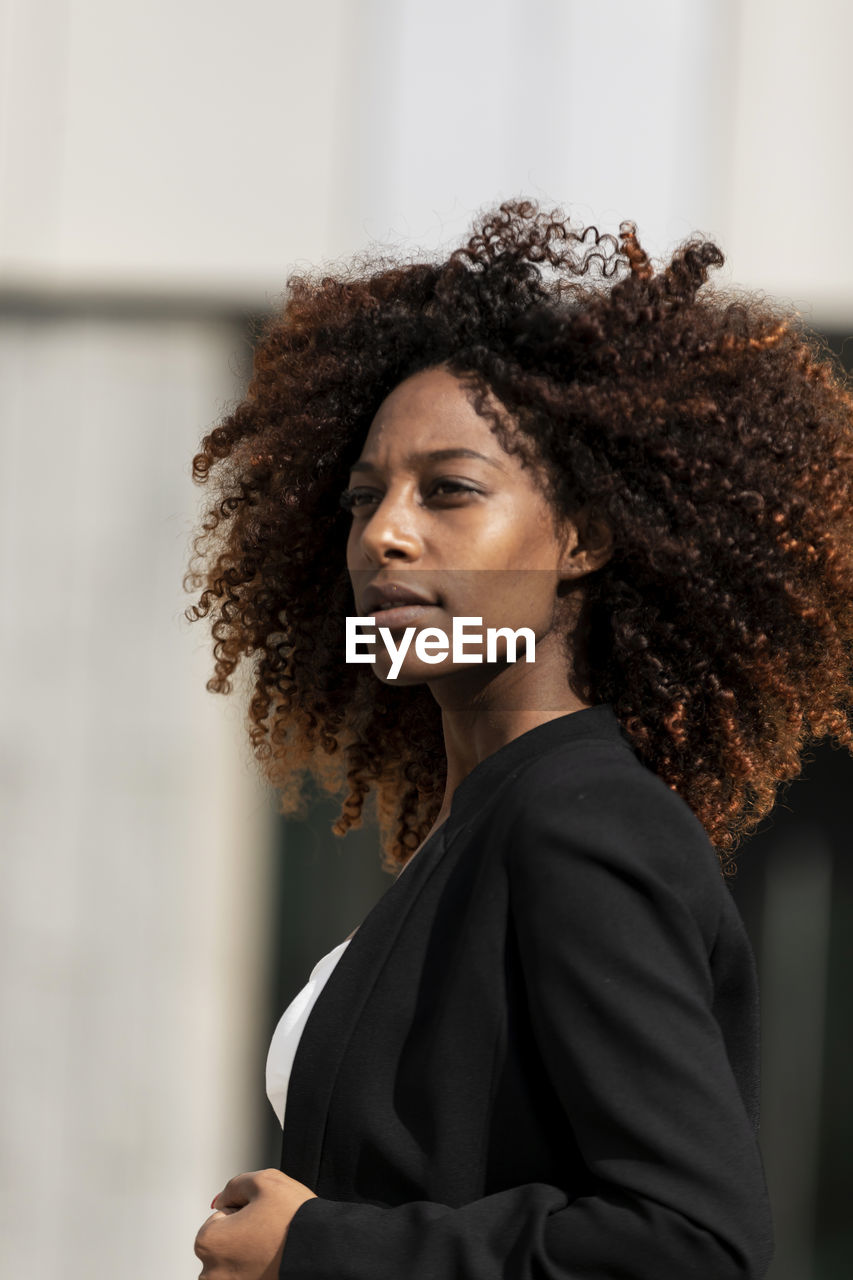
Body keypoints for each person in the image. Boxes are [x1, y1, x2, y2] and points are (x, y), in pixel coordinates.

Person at [184, 199, 853, 1279]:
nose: (384, 532)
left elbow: (692, 1245)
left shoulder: (583, 826)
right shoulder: (489, 819)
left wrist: (314, 1244)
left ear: (581, 533)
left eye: (449, 490)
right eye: (363, 497)